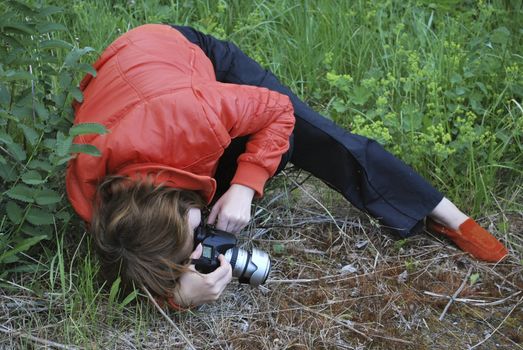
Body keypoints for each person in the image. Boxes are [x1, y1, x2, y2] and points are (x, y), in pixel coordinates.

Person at [66, 24, 508, 310]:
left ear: (167, 203)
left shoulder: (198, 116)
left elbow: (278, 112)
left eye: (189, 240)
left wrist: (245, 185)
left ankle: (443, 212)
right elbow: (130, 258)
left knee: (313, 135)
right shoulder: (93, 198)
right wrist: (177, 296)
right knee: (232, 166)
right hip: (130, 80)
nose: (199, 248)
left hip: (178, 54)